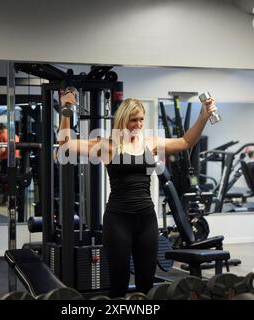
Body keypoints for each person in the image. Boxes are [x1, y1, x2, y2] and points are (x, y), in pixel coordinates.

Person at [57, 91, 216, 297]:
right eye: (134, 120)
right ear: (123, 120)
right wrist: (66, 112)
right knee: (119, 283)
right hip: (118, 220)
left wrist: (203, 117)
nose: (138, 124)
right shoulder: (107, 146)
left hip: (146, 220)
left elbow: (186, 142)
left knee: (146, 282)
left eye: (141, 120)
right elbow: (66, 145)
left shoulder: (150, 143)